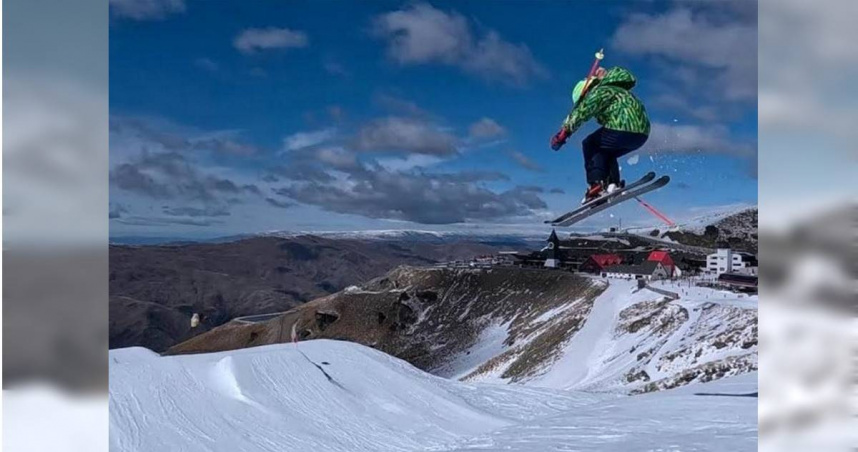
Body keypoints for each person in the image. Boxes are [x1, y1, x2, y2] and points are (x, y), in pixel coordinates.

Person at [550, 66, 650, 204]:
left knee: (590, 144)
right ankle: (612, 185)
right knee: (606, 153)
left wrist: (564, 133)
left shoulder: (599, 92)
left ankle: (596, 186)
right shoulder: (617, 90)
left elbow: (581, 112)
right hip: (641, 135)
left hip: (623, 128)